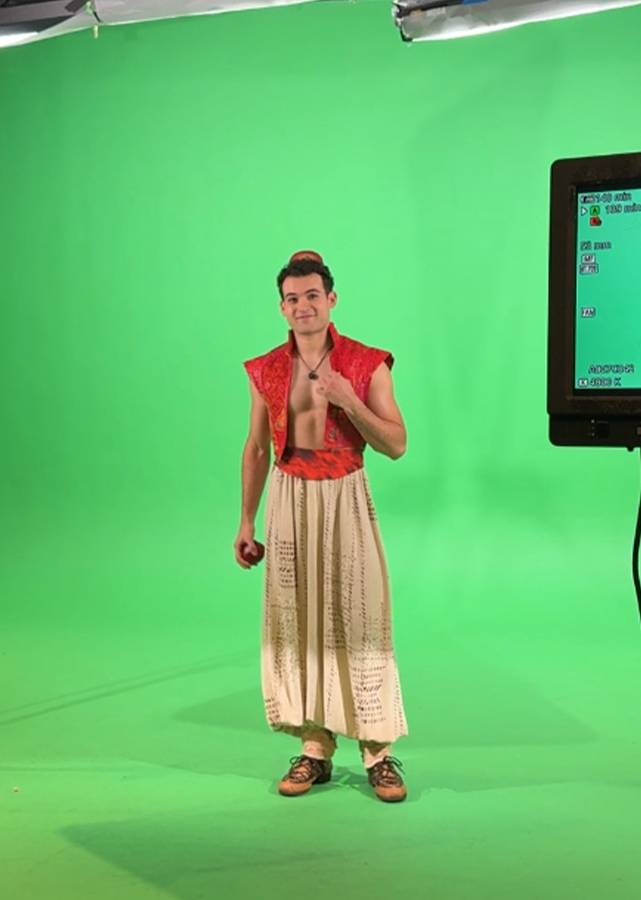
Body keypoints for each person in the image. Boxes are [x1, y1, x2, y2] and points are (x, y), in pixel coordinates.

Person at [235, 250, 409, 802]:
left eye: (313, 295)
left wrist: (349, 400)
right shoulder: (266, 370)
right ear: (282, 308)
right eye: (293, 298)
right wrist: (245, 518)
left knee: (362, 616)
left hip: (346, 493)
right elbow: (257, 446)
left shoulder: (366, 362)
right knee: (300, 621)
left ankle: (378, 751)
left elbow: (396, 444)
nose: (303, 305)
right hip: (288, 498)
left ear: (330, 300)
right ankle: (315, 748)